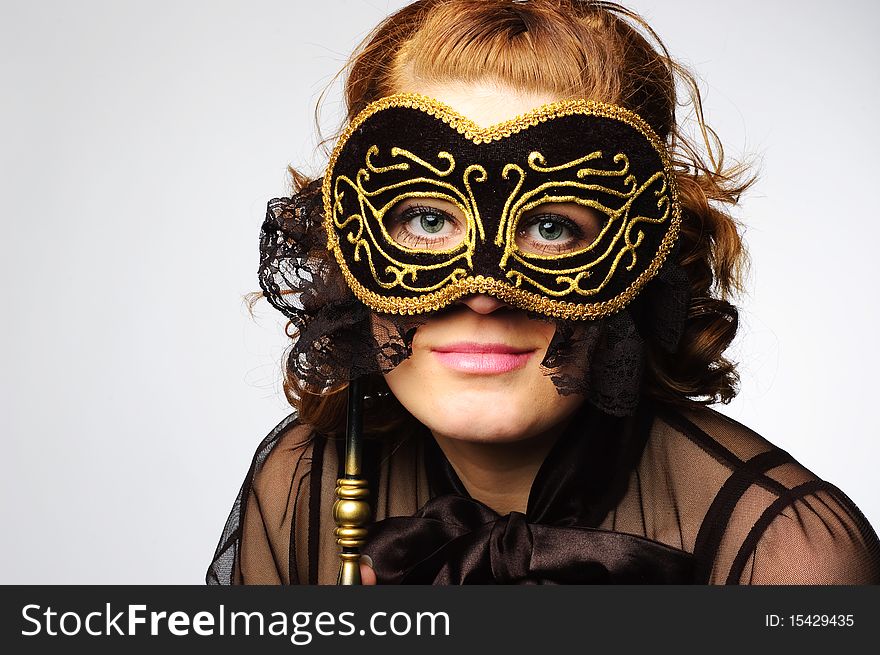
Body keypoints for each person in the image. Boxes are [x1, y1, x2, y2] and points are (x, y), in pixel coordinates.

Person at [207, 0, 880, 585]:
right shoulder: (303, 488)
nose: (484, 292)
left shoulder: (789, 554)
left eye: (553, 226)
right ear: (343, 239)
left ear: (649, 256)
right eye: (427, 220)